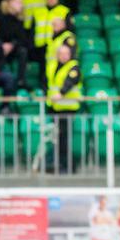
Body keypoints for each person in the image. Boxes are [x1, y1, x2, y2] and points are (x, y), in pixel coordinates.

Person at [47, 43, 82, 173]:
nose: (65, 56)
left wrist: (60, 93)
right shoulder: (52, 66)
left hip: (68, 108)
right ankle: (59, 164)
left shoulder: (73, 67)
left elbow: (70, 82)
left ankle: (69, 166)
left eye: (67, 53)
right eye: (62, 53)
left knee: (64, 139)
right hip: (54, 107)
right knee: (58, 139)